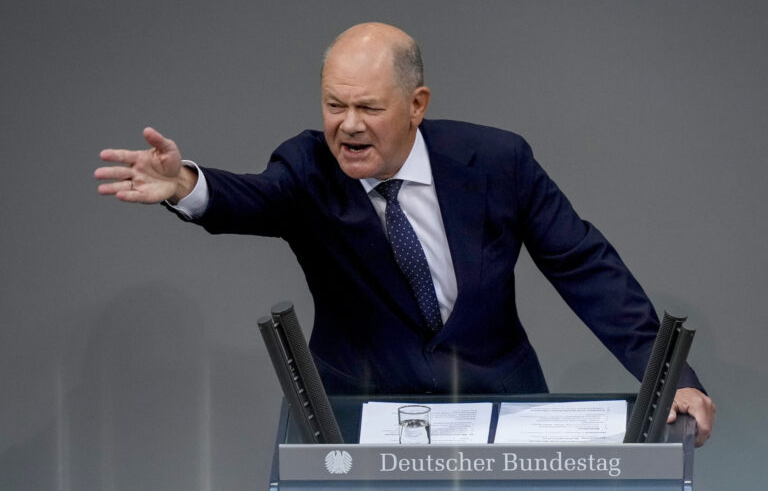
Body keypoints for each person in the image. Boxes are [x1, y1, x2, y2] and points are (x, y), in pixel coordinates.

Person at [95, 22, 715, 446]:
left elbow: (585, 266)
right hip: (362, 423)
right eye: (335, 105)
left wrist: (674, 381)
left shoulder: (497, 161)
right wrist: (185, 185)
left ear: (416, 104)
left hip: (500, 415)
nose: (348, 126)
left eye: (369, 108)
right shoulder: (308, 169)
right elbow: (254, 198)